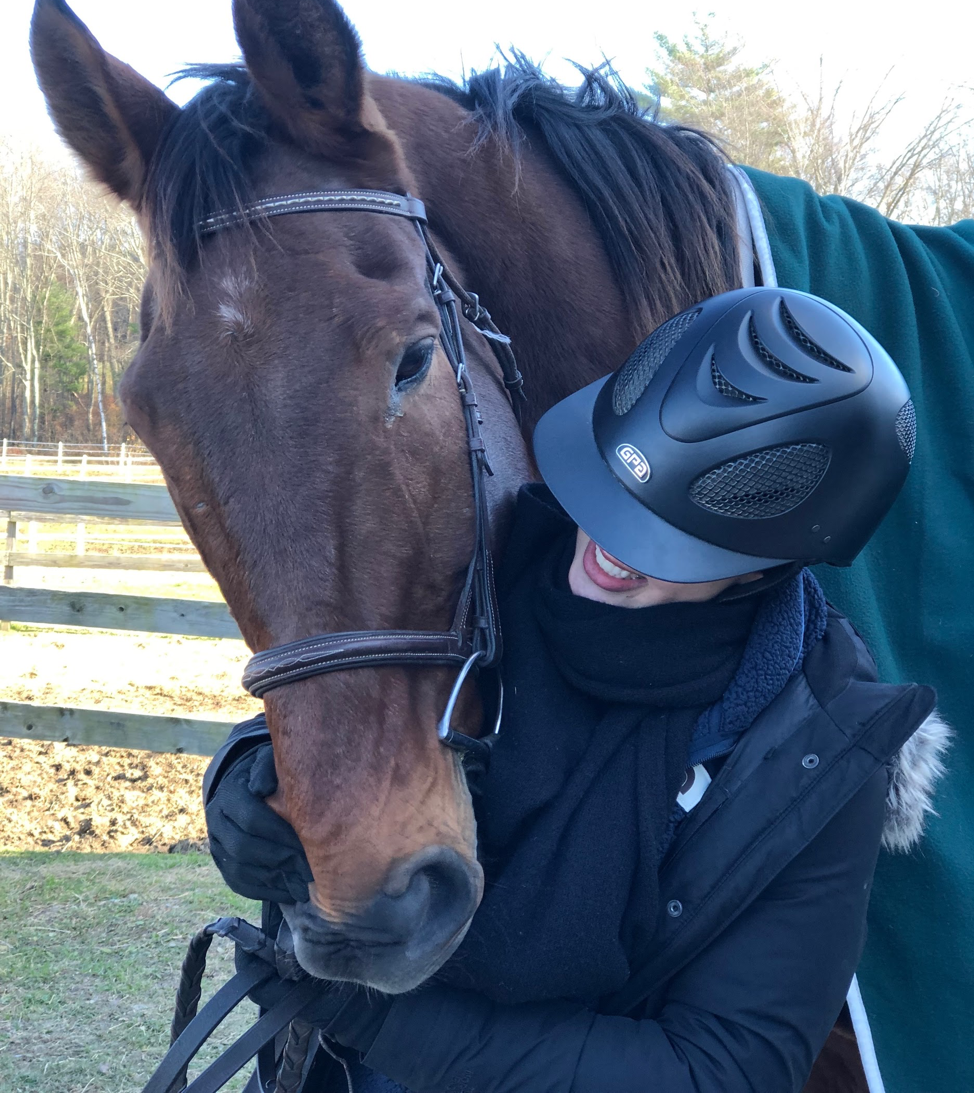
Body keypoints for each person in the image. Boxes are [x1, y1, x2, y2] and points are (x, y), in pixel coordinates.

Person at [204, 287, 947, 1093]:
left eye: (673, 538)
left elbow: (726, 1069)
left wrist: (394, 1026)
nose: (609, 548)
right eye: (609, 491)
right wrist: (242, 784)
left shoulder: (816, 754)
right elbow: (340, 713)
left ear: (771, 561)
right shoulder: (478, 571)